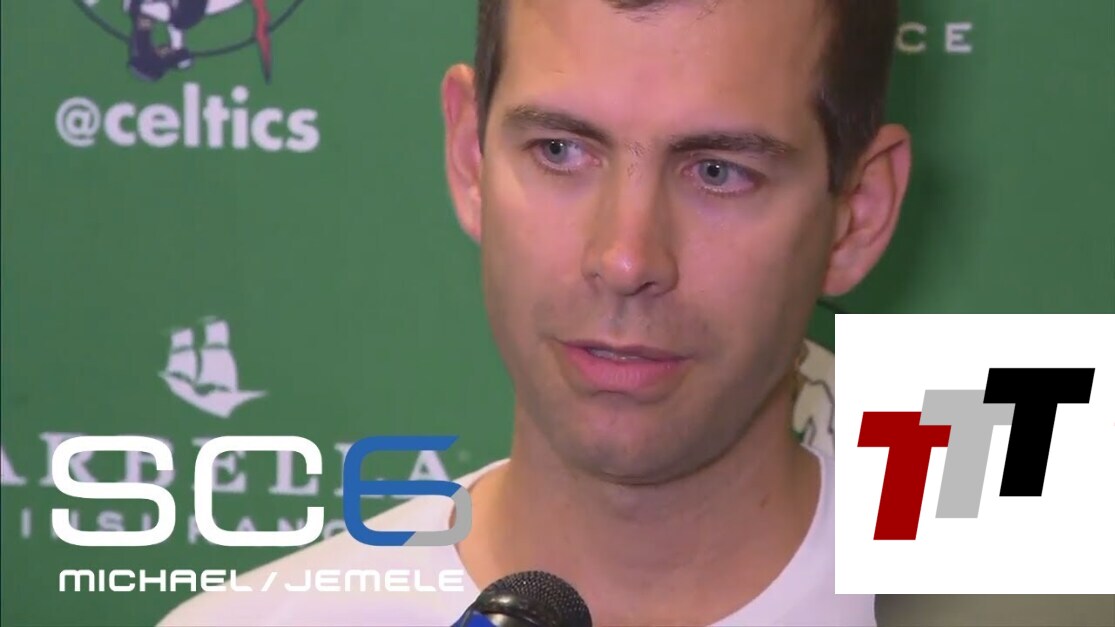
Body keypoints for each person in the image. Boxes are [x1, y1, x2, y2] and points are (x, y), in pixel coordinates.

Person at [160, 0, 910, 624]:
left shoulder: (967, 588)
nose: (625, 259)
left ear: (858, 215)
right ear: (470, 157)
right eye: (560, 151)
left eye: (719, 172)